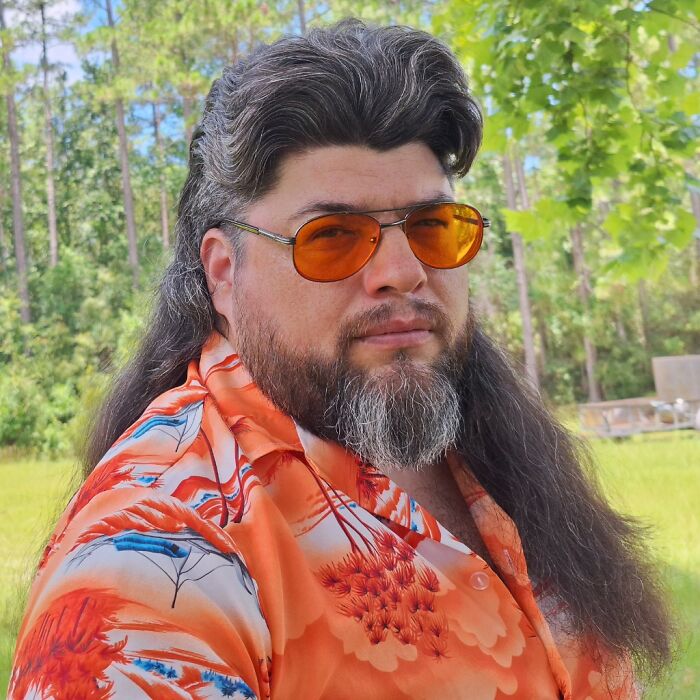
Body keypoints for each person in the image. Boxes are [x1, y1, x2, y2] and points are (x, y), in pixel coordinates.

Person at [9, 20, 671, 700]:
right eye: (331, 236)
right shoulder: (154, 563)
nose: (403, 271)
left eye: (431, 227)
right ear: (222, 274)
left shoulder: (499, 460)